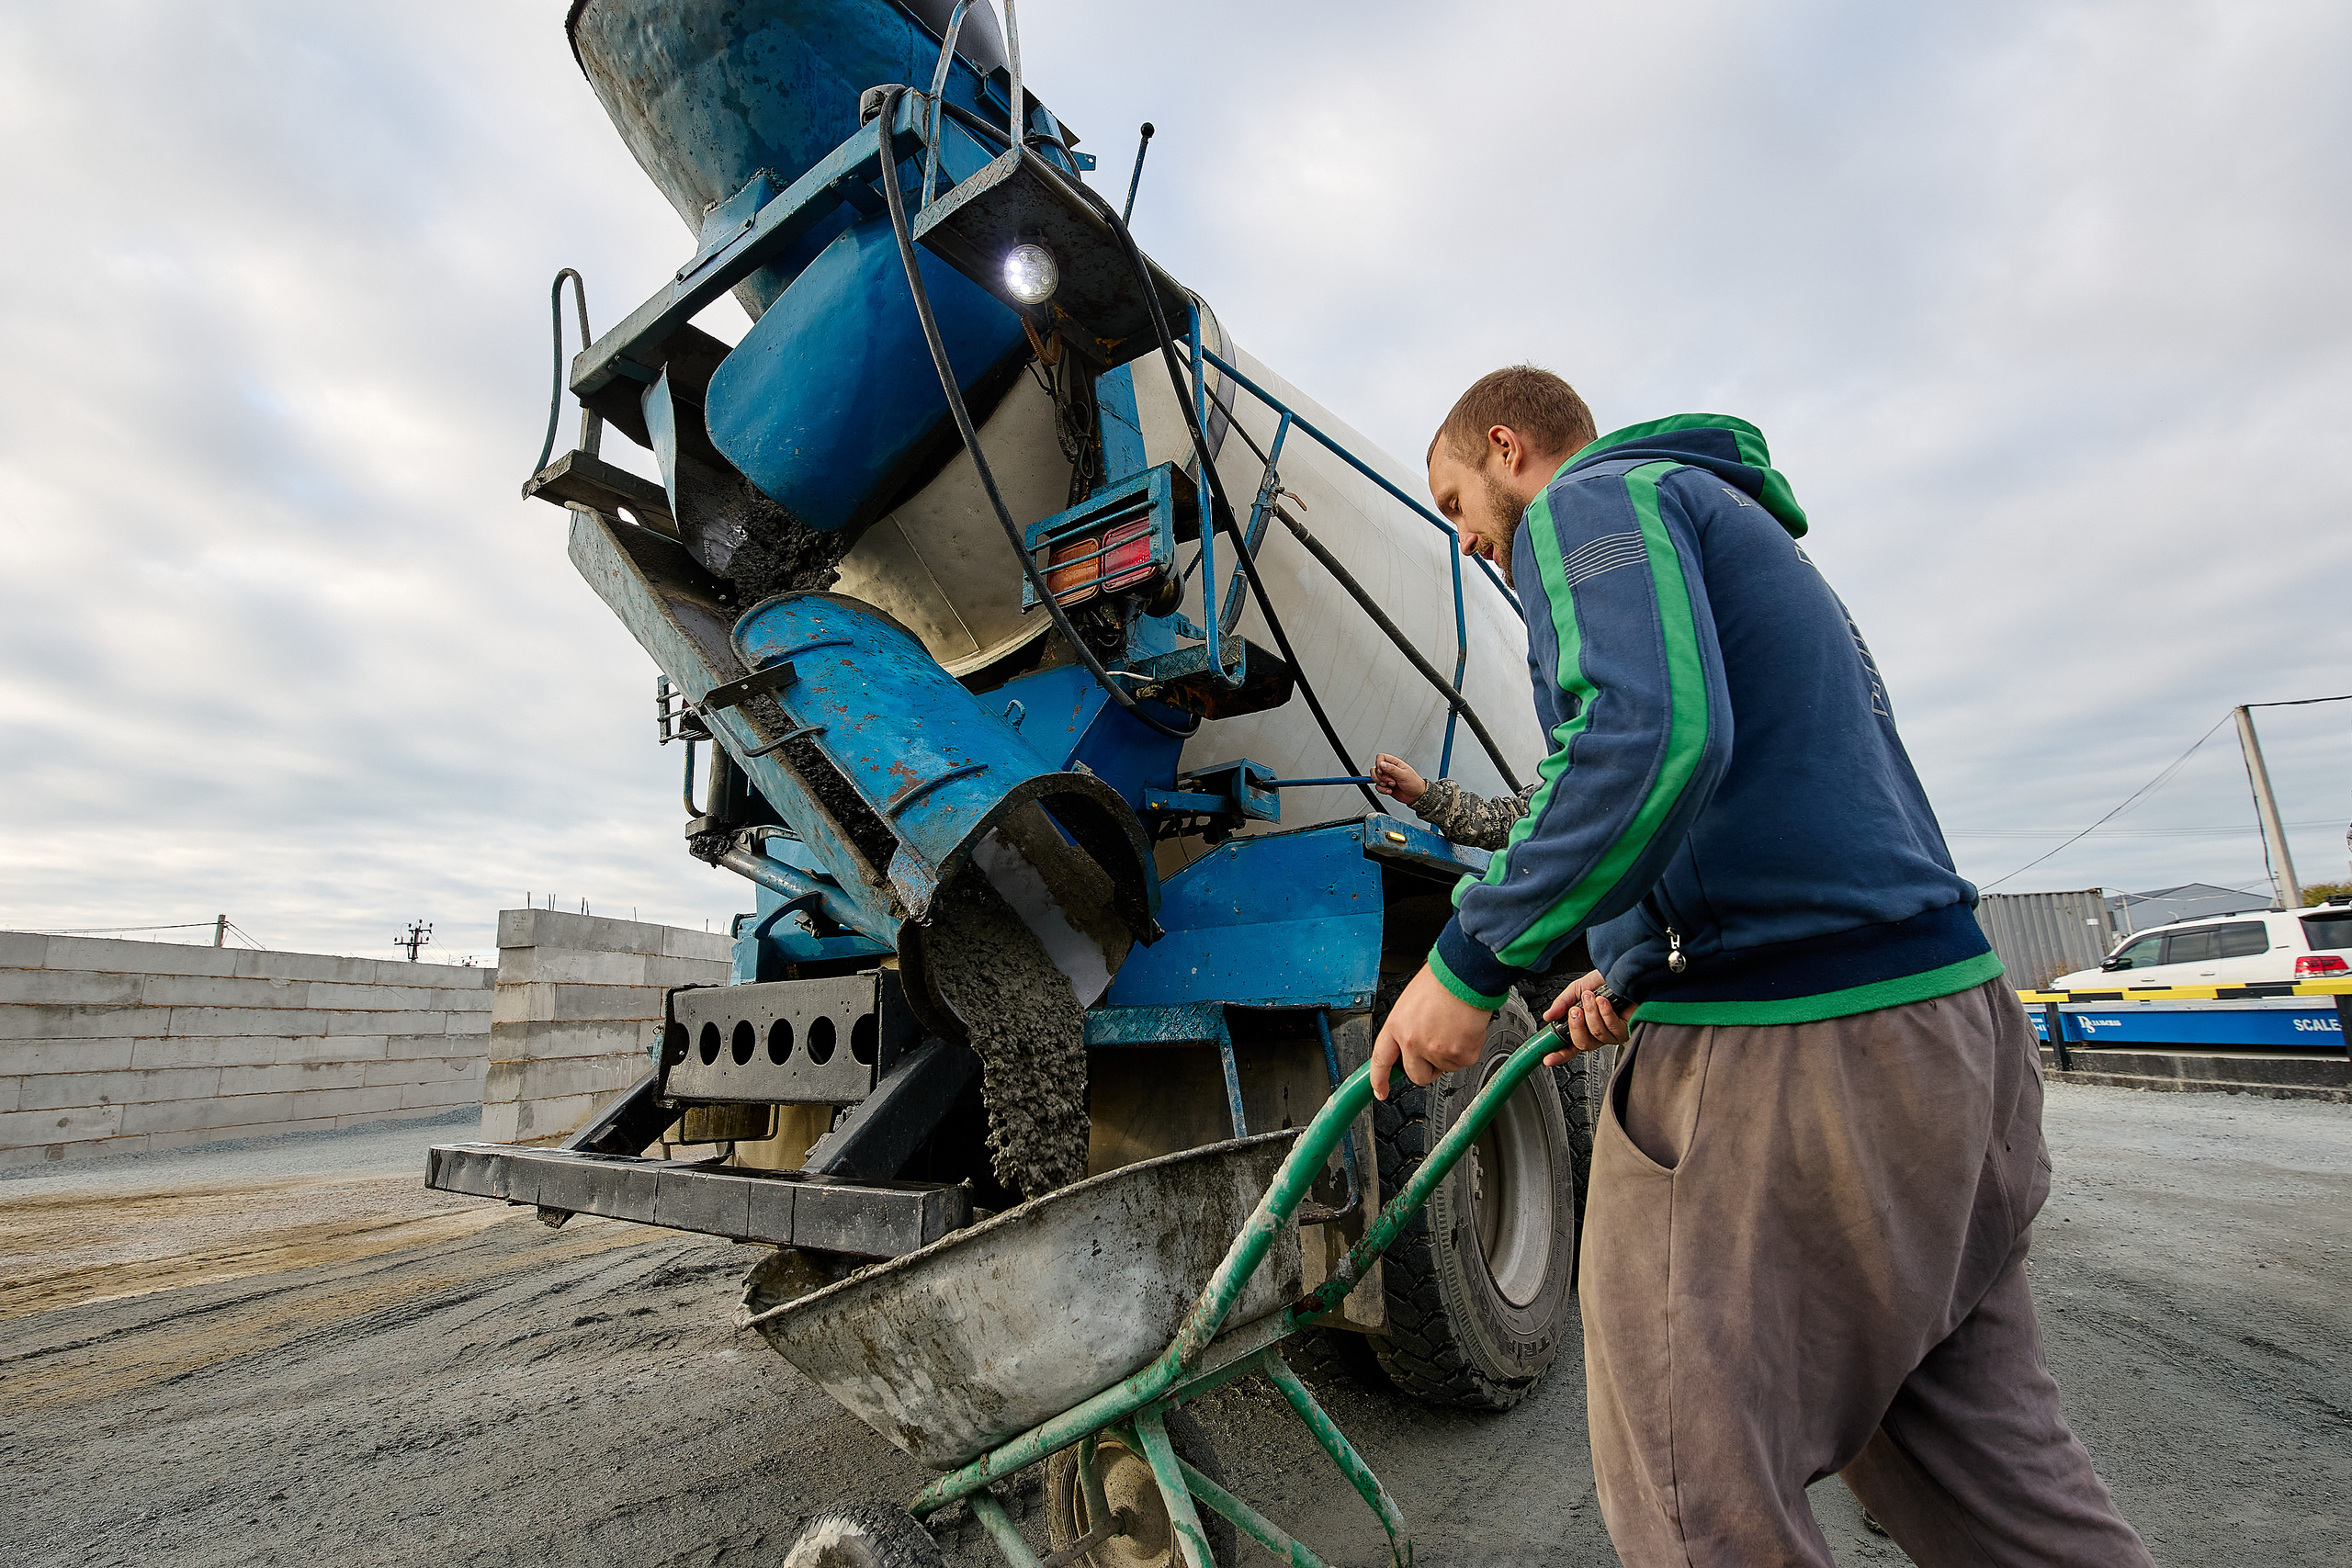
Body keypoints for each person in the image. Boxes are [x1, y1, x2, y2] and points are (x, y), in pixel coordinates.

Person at [1369, 366, 2151, 1568]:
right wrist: (1636, 971)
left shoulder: (1593, 504)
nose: (1467, 540)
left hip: (1803, 1054)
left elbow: (1655, 736)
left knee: (1696, 1501)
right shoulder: (1727, 522)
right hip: (1947, 1040)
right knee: (2001, 1498)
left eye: (1456, 501)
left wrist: (1472, 958)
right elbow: (1751, 805)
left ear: (1511, 450)